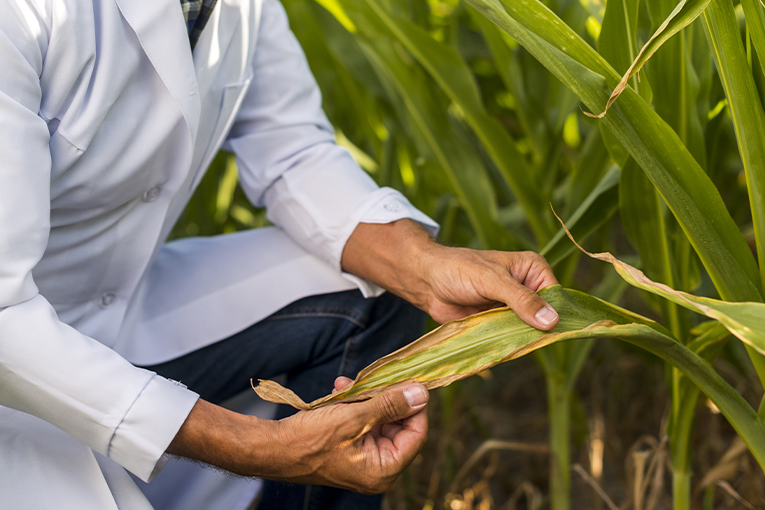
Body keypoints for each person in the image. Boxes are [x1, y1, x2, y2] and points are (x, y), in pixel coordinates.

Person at [0, 0, 560, 508]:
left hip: (117, 311)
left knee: (374, 292)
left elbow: (290, 149)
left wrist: (423, 264)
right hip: (13, 365)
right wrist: (255, 446)